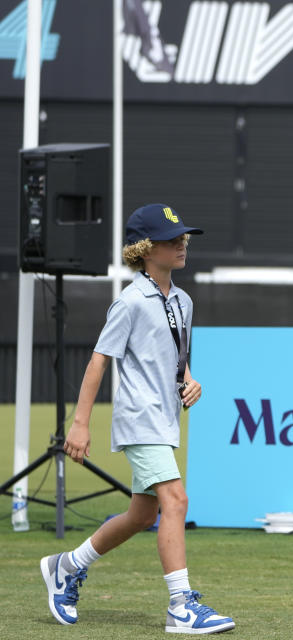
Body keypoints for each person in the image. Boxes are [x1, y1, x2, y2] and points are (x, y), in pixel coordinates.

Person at [40, 204, 235, 635]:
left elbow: (177, 359)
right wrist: (80, 423)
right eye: (171, 239)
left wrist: (190, 381)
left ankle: (66, 566)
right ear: (146, 250)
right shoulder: (128, 302)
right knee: (176, 501)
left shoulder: (183, 301)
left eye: (183, 236)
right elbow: (98, 362)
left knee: (142, 515)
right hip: (139, 419)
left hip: (165, 421)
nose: (182, 244)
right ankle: (181, 606)